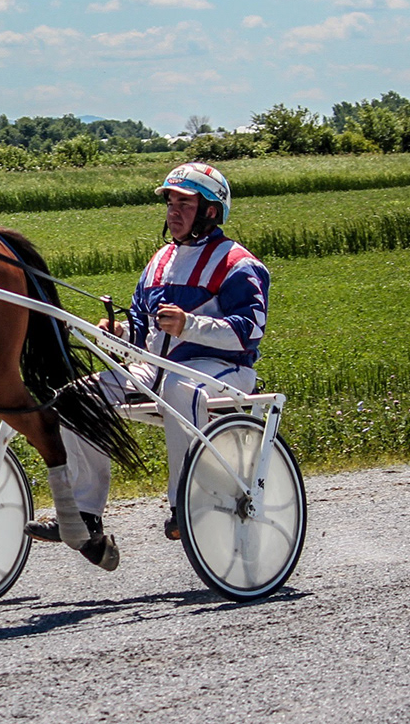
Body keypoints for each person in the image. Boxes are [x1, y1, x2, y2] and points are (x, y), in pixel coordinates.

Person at [27, 161, 271, 568]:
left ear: (211, 210)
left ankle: (184, 505)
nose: (173, 212)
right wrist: (118, 331)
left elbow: (249, 330)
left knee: (179, 390)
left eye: (185, 204)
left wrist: (190, 325)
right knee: (74, 397)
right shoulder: (158, 262)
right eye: (170, 202)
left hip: (219, 370)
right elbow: (143, 330)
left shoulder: (238, 263)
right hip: (153, 370)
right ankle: (86, 514)